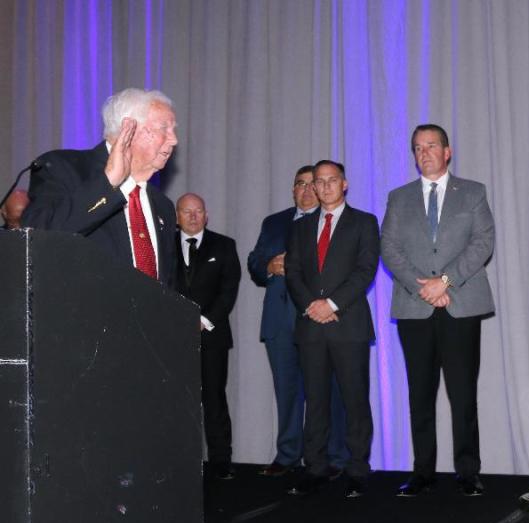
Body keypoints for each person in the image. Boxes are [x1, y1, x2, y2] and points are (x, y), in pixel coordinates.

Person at [381, 124, 495, 498]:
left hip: (460, 305)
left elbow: (483, 243)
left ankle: (467, 472)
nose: (424, 152)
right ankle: (422, 472)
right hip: (416, 307)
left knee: (463, 394)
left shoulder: (473, 193)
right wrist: (425, 287)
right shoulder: (399, 198)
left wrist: (445, 281)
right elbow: (390, 249)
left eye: (431, 145)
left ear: (448, 152)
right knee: (420, 393)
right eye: (417, 147)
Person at [248, 166, 350, 477]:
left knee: (328, 391)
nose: (306, 190)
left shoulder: (332, 221)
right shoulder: (274, 222)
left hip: (319, 319)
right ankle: (287, 455)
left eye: (311, 184)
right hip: (280, 320)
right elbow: (253, 264)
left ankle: (333, 456)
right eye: (299, 184)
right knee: (287, 391)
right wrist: (268, 265)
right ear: (292, 190)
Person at [284, 161, 379, 499]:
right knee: (315, 400)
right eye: (317, 182)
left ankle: (357, 469)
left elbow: (365, 270)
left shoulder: (364, 223)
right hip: (310, 325)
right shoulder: (300, 227)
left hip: (348, 324)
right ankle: (315, 467)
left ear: (345, 184)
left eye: (331, 180)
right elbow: (292, 272)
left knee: (354, 400)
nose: (323, 187)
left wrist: (332, 304)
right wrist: (312, 305)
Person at [22, 88, 178, 286]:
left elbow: (168, 284)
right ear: (128, 129)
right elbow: (38, 235)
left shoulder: (163, 205)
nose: (174, 140)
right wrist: (108, 182)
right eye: (164, 128)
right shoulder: (63, 168)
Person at [174, 193, 242, 480]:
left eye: (198, 211)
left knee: (214, 399)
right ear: (177, 216)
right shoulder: (163, 246)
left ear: (206, 215)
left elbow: (228, 291)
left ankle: (220, 461)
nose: (192, 216)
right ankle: (178, 460)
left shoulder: (224, 246)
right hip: (172, 337)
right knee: (176, 400)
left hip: (212, 337)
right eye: (187, 211)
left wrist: (202, 321)